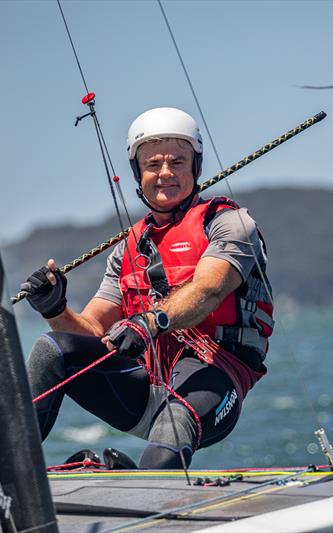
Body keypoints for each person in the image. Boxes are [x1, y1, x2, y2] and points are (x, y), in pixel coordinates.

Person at [22, 107, 273, 469]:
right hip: (144, 388)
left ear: (195, 168)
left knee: (174, 424)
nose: (165, 173)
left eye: (178, 162)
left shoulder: (231, 224)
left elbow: (209, 289)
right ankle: (8, 474)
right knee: (52, 349)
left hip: (215, 381)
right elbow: (93, 332)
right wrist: (55, 309)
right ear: (138, 173)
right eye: (153, 164)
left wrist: (150, 322)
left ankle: (148, 498)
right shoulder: (128, 249)